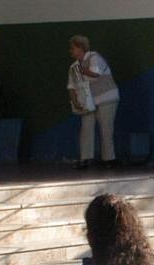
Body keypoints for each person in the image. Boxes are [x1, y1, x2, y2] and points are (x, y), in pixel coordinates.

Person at [67, 36, 120, 169]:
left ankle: (109, 159)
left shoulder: (95, 58)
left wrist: (83, 71)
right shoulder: (74, 67)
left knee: (106, 129)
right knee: (86, 128)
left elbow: (95, 74)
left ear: (81, 48)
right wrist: (75, 102)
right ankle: (85, 158)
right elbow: (71, 87)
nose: (70, 51)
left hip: (106, 98)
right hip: (88, 102)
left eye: (73, 48)